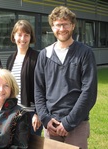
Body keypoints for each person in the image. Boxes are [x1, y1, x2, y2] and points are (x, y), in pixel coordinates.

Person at [34, 6, 97, 149]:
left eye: (65, 24)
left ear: (73, 25)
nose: (62, 29)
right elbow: (38, 90)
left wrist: (69, 123)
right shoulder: (44, 55)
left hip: (77, 124)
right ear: (52, 27)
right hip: (51, 124)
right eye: (58, 25)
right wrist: (45, 119)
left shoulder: (85, 53)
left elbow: (89, 92)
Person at [6, 20, 42, 136]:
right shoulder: (11, 59)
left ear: (31, 37)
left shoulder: (38, 57)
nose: (23, 38)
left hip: (31, 114)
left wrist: (38, 113)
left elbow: (43, 87)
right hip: (14, 112)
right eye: (19, 34)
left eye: (26, 35)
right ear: (14, 36)